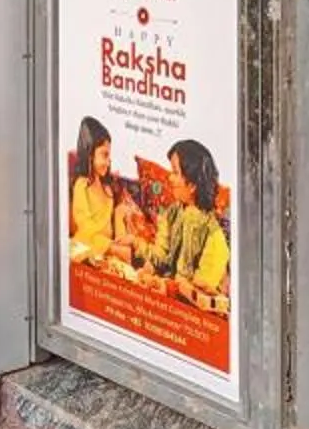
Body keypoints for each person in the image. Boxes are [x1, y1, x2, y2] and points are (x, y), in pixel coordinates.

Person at [140, 137, 231, 307]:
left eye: (175, 172)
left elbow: (200, 292)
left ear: (192, 185)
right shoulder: (172, 212)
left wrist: (167, 286)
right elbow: (161, 255)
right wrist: (149, 266)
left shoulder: (214, 236)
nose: (170, 178)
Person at [66, 118, 118, 262]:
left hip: (103, 247)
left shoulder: (108, 191)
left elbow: (108, 231)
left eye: (109, 156)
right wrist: (109, 246)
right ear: (90, 154)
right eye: (104, 155)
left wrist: (111, 245)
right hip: (86, 242)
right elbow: (84, 226)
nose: (108, 162)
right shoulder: (81, 184)